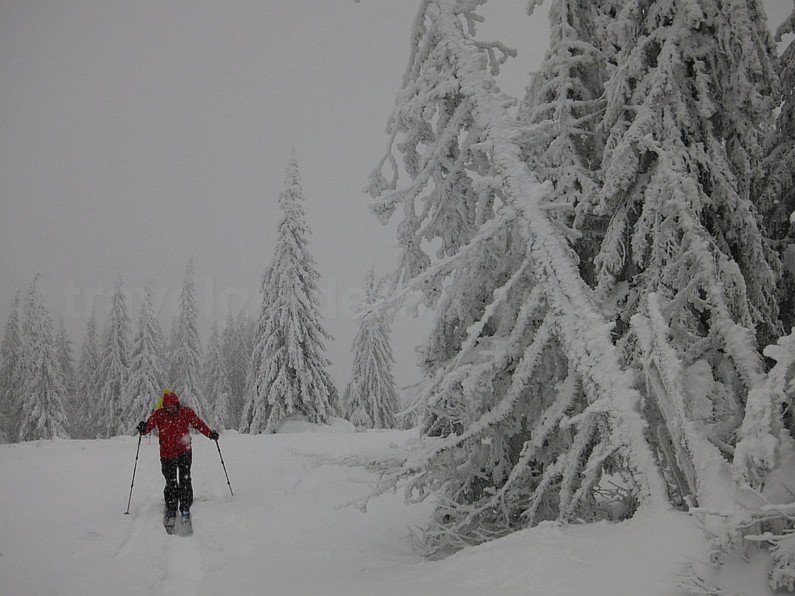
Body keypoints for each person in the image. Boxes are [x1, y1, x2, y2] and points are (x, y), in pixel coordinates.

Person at [137, 390, 219, 530]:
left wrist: (210, 433)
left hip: (184, 452)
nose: (170, 408)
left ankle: (185, 506)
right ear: (164, 405)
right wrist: (143, 428)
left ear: (177, 403)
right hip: (167, 454)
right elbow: (148, 427)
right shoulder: (159, 414)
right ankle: (171, 507)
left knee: (185, 479)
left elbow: (198, 423)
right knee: (171, 481)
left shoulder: (185, 412)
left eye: (173, 405)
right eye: (167, 406)